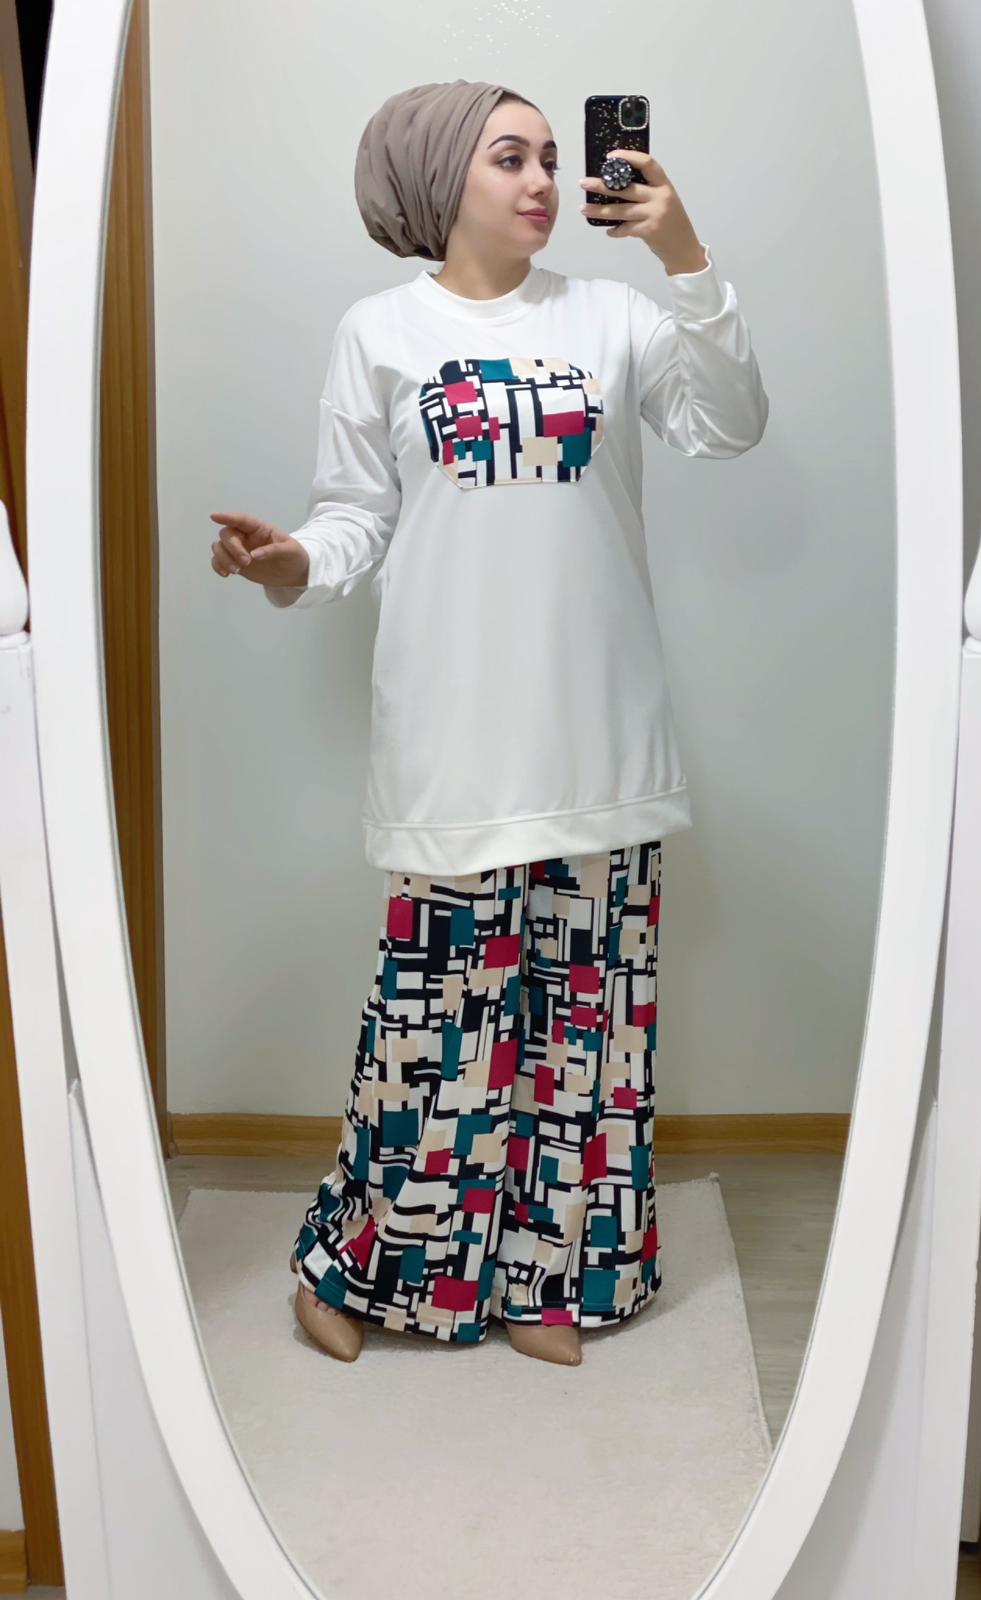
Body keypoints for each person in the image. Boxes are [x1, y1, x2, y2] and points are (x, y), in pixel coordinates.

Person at [209, 79, 768, 1368]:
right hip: (456, 742)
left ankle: (547, 1283)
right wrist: (291, 561)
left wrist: (685, 256)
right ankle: (356, 1271)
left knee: (589, 1040)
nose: (543, 181)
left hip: (601, 741)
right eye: (509, 157)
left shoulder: (613, 316)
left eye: (552, 158)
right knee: (434, 1036)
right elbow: (355, 518)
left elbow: (730, 426)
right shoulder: (380, 332)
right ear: (437, 179)